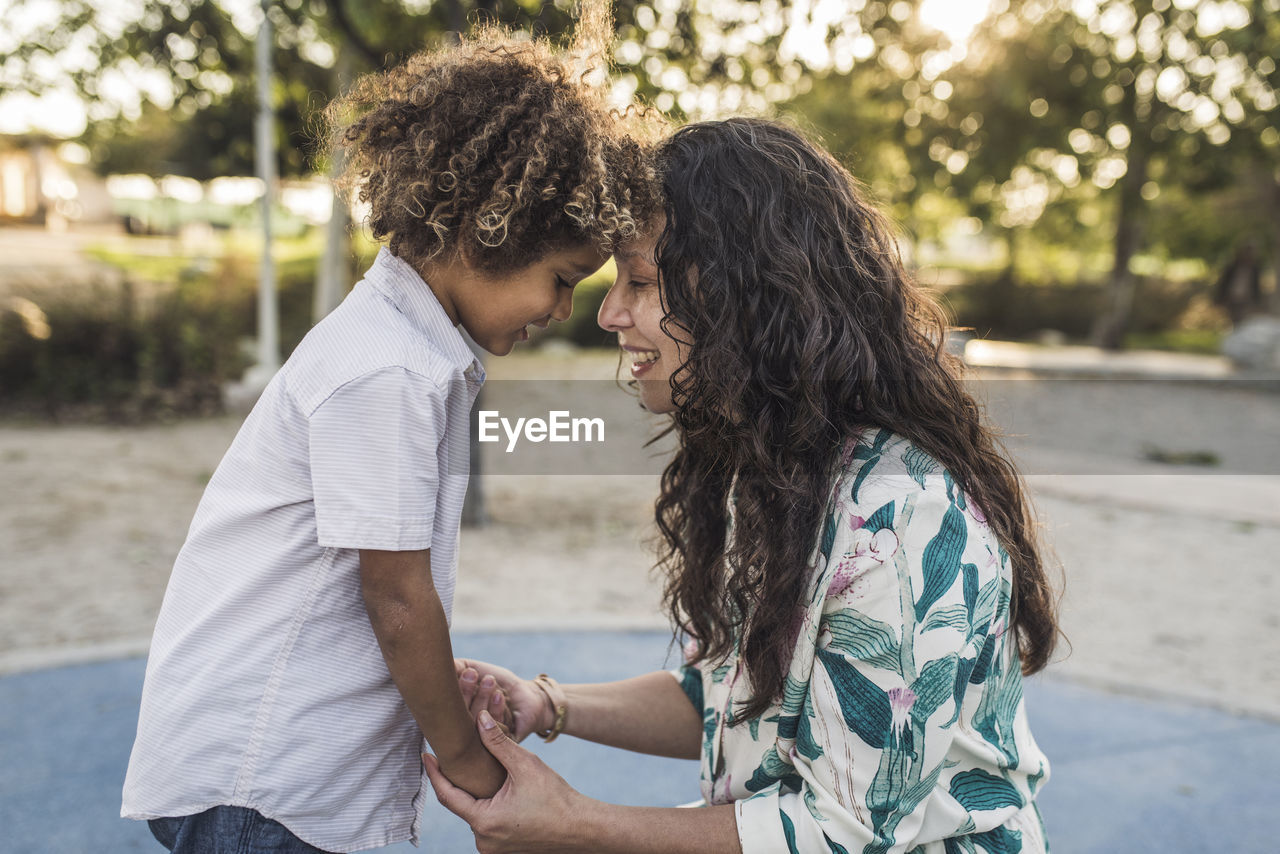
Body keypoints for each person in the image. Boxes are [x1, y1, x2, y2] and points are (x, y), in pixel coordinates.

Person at [424, 118, 1060, 854]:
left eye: (638, 281)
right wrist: (547, 704)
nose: (608, 315)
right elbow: (731, 701)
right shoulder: (771, 472)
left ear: (738, 293)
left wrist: (573, 824)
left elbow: (840, 831)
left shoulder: (899, 520)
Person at [121, 23, 659, 854]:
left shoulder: (399, 350)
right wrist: (475, 769)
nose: (562, 312)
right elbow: (398, 600)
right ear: (489, 226)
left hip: (272, 783)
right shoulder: (389, 371)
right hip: (262, 787)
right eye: (559, 280)